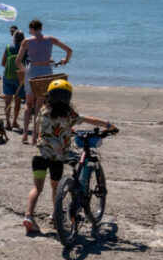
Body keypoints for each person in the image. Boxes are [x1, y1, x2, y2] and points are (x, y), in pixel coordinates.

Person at [23, 79, 118, 233]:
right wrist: (109, 125)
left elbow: (46, 125)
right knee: (56, 188)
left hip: (39, 156)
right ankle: (55, 214)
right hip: (56, 159)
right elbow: (90, 119)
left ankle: (28, 216)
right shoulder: (70, 115)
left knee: (36, 187)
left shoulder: (44, 110)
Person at [16, 19, 72, 144]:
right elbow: (69, 50)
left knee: (28, 104)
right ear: (41, 28)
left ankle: (25, 133)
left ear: (31, 29)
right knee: (39, 106)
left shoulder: (26, 41)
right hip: (46, 71)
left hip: (32, 71)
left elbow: (18, 62)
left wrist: (25, 71)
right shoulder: (50, 39)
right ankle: (35, 137)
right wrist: (65, 60)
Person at [1, 29, 26, 129]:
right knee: (17, 102)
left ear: (14, 38)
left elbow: (3, 63)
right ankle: (14, 121)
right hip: (19, 78)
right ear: (23, 38)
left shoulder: (7, 47)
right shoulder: (24, 49)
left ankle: (7, 122)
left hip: (8, 77)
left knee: (7, 101)